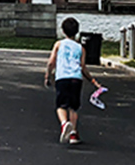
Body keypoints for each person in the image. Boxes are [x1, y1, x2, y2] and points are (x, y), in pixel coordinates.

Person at [44, 17, 103, 145]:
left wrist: (48, 75)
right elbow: (83, 67)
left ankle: (65, 124)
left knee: (61, 106)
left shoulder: (59, 44)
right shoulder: (80, 48)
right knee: (73, 107)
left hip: (62, 78)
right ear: (77, 31)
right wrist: (93, 81)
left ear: (63, 31)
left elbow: (51, 62)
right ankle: (73, 135)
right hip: (76, 79)